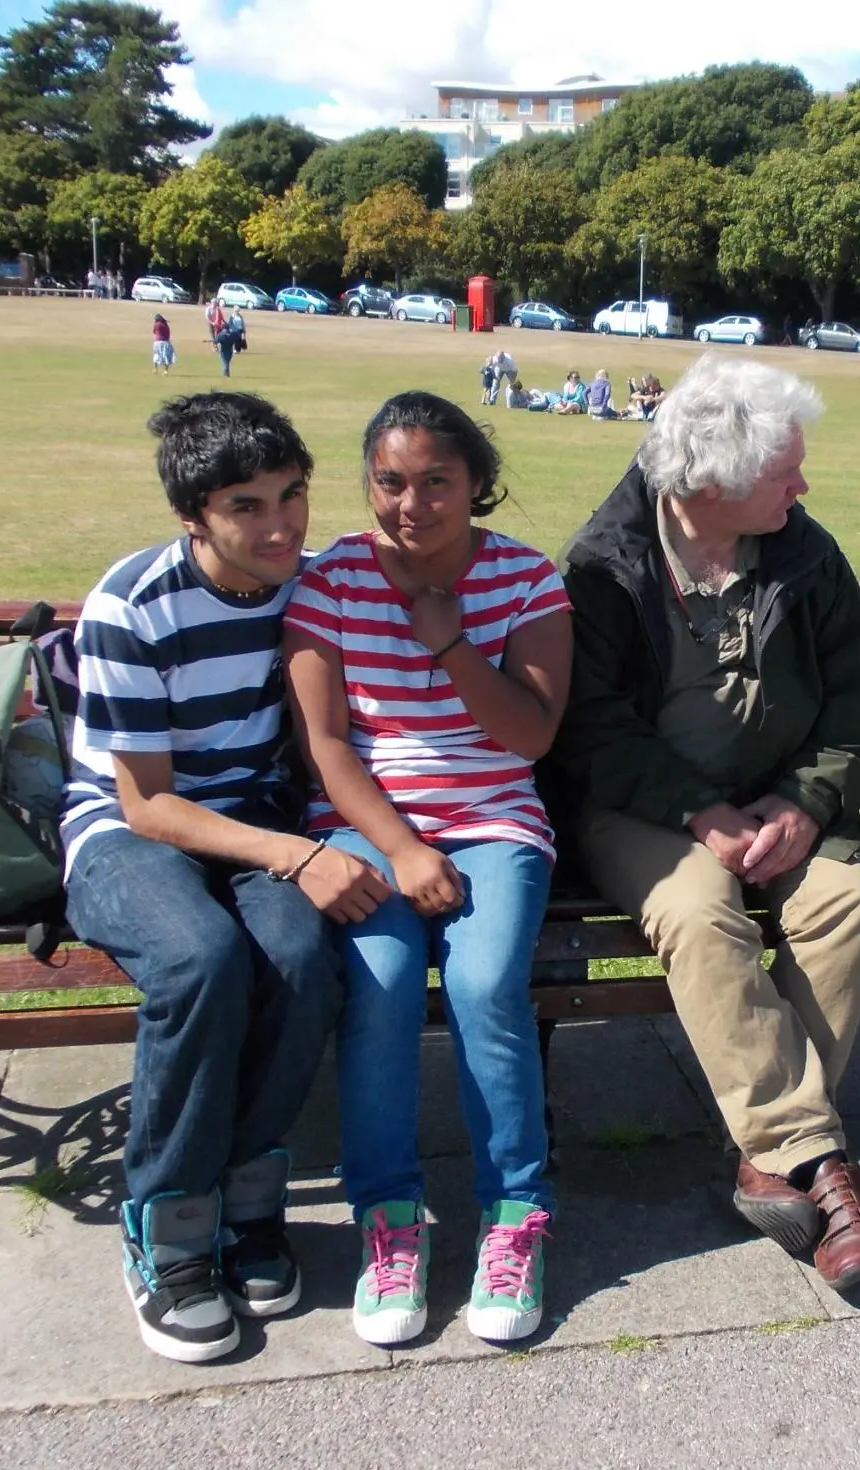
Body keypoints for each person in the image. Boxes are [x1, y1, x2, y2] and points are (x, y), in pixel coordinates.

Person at [548, 356, 860, 1292]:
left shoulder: (806, 553)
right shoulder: (604, 570)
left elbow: (858, 702)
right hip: (645, 814)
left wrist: (805, 800)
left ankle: (772, 1158)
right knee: (700, 917)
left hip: (782, 801)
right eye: (785, 473)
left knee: (846, 902)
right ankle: (820, 1164)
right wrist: (699, 812)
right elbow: (590, 731)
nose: (804, 487)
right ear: (710, 485)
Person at [61, 392, 381, 1364]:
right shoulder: (134, 604)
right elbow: (147, 805)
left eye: (292, 494)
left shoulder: (311, 585)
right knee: (199, 960)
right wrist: (299, 855)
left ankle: (247, 1198)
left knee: (296, 954)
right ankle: (163, 1224)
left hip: (255, 827)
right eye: (246, 506)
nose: (281, 524)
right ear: (192, 516)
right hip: (124, 834)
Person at [284, 393, 571, 1346]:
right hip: (365, 823)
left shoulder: (527, 580)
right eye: (390, 482)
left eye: (437, 482)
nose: (412, 503)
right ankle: (389, 1220)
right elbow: (327, 744)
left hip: (494, 816)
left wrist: (447, 640)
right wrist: (401, 849)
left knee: (488, 984)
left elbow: (528, 736)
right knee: (385, 978)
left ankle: (515, 1215)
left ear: (477, 484)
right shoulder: (330, 580)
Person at [215, 310, 243, 377]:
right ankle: (226, 373)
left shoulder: (220, 335)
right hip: (230, 350)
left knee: (225, 362)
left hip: (223, 350)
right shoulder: (233, 334)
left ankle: (226, 374)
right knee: (226, 362)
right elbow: (237, 340)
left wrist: (215, 347)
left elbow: (216, 341)